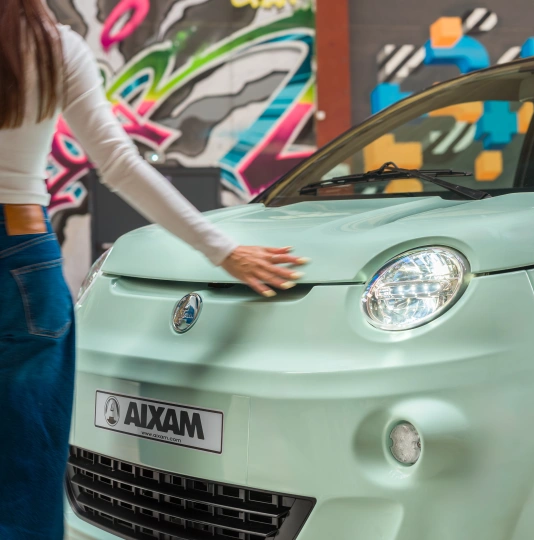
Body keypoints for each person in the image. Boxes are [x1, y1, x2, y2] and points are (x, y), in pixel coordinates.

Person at [0, 1, 307, 537]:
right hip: (23, 258)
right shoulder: (53, 48)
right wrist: (221, 250)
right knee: (28, 468)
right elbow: (119, 163)